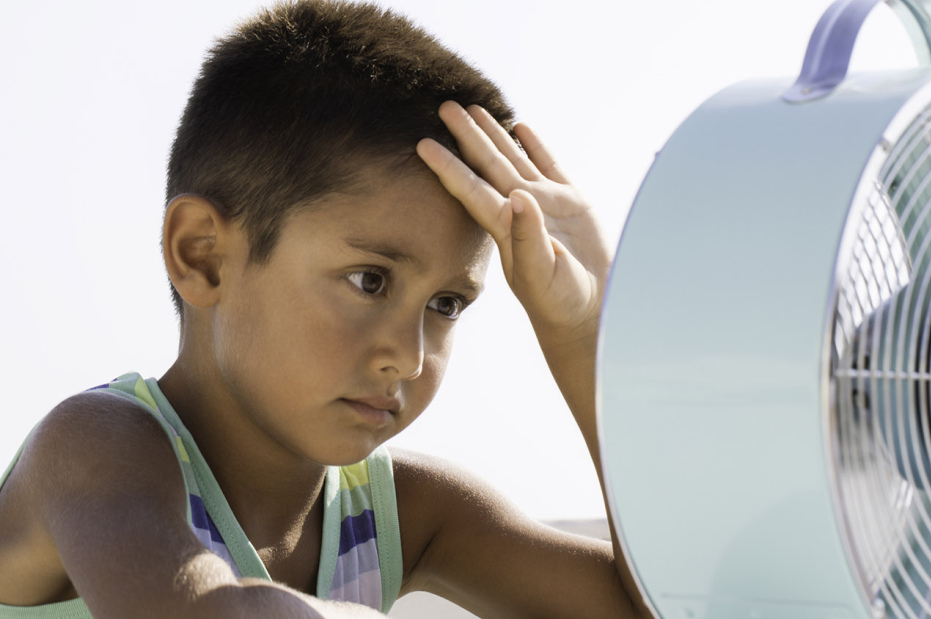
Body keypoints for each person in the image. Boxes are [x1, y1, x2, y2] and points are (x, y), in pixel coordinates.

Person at [0, 1, 651, 617]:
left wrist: (587, 335)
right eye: (370, 280)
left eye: (446, 303)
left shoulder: (404, 511)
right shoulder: (94, 448)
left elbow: (677, 606)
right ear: (202, 255)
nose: (409, 353)